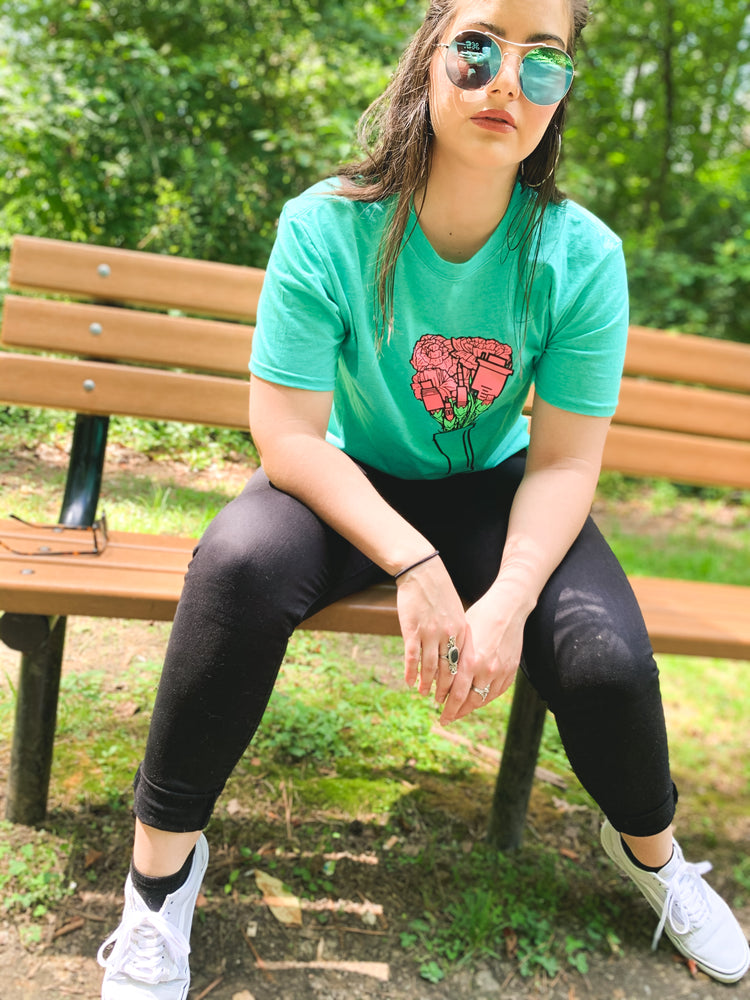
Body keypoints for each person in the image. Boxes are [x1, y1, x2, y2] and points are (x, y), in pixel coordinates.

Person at [97, 0, 750, 994]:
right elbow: (286, 438)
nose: (505, 81)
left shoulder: (581, 256)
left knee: (606, 659)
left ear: (562, 92)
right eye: (479, 47)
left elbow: (567, 463)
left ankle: (654, 854)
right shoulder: (328, 225)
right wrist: (413, 557)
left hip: (500, 492)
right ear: (428, 57)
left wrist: (512, 592)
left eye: (543, 62)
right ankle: (157, 883)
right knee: (234, 566)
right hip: (342, 486)